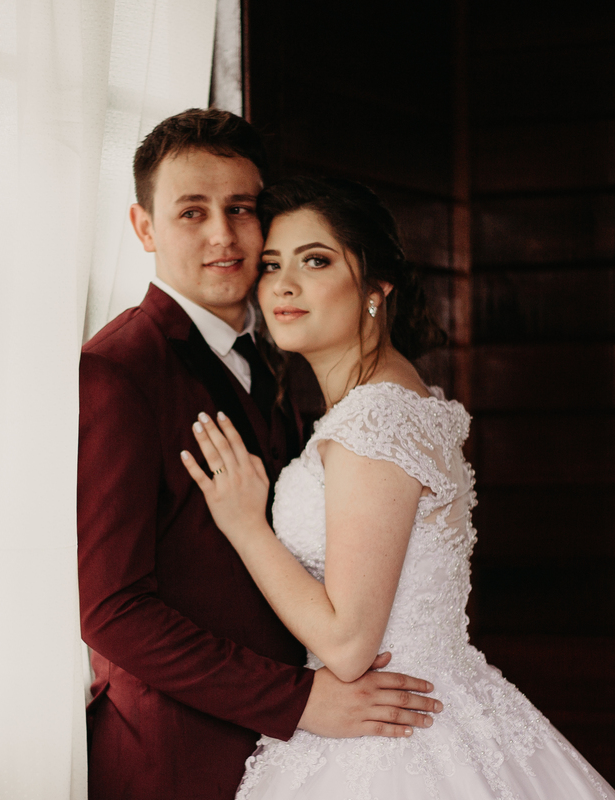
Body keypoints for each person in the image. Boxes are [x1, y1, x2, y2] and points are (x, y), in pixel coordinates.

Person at [180, 175, 615, 799]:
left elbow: (348, 645)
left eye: (315, 260)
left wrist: (246, 526)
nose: (283, 284)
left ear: (376, 286)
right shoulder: (390, 399)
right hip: (408, 709)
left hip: (391, 738)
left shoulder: (375, 421)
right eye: (272, 264)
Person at [77, 109, 442, 800]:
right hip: (179, 757)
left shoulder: (281, 348)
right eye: (192, 212)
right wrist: (297, 700)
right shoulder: (117, 371)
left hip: (300, 748)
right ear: (144, 228)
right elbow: (111, 611)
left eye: (240, 208)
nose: (222, 234)